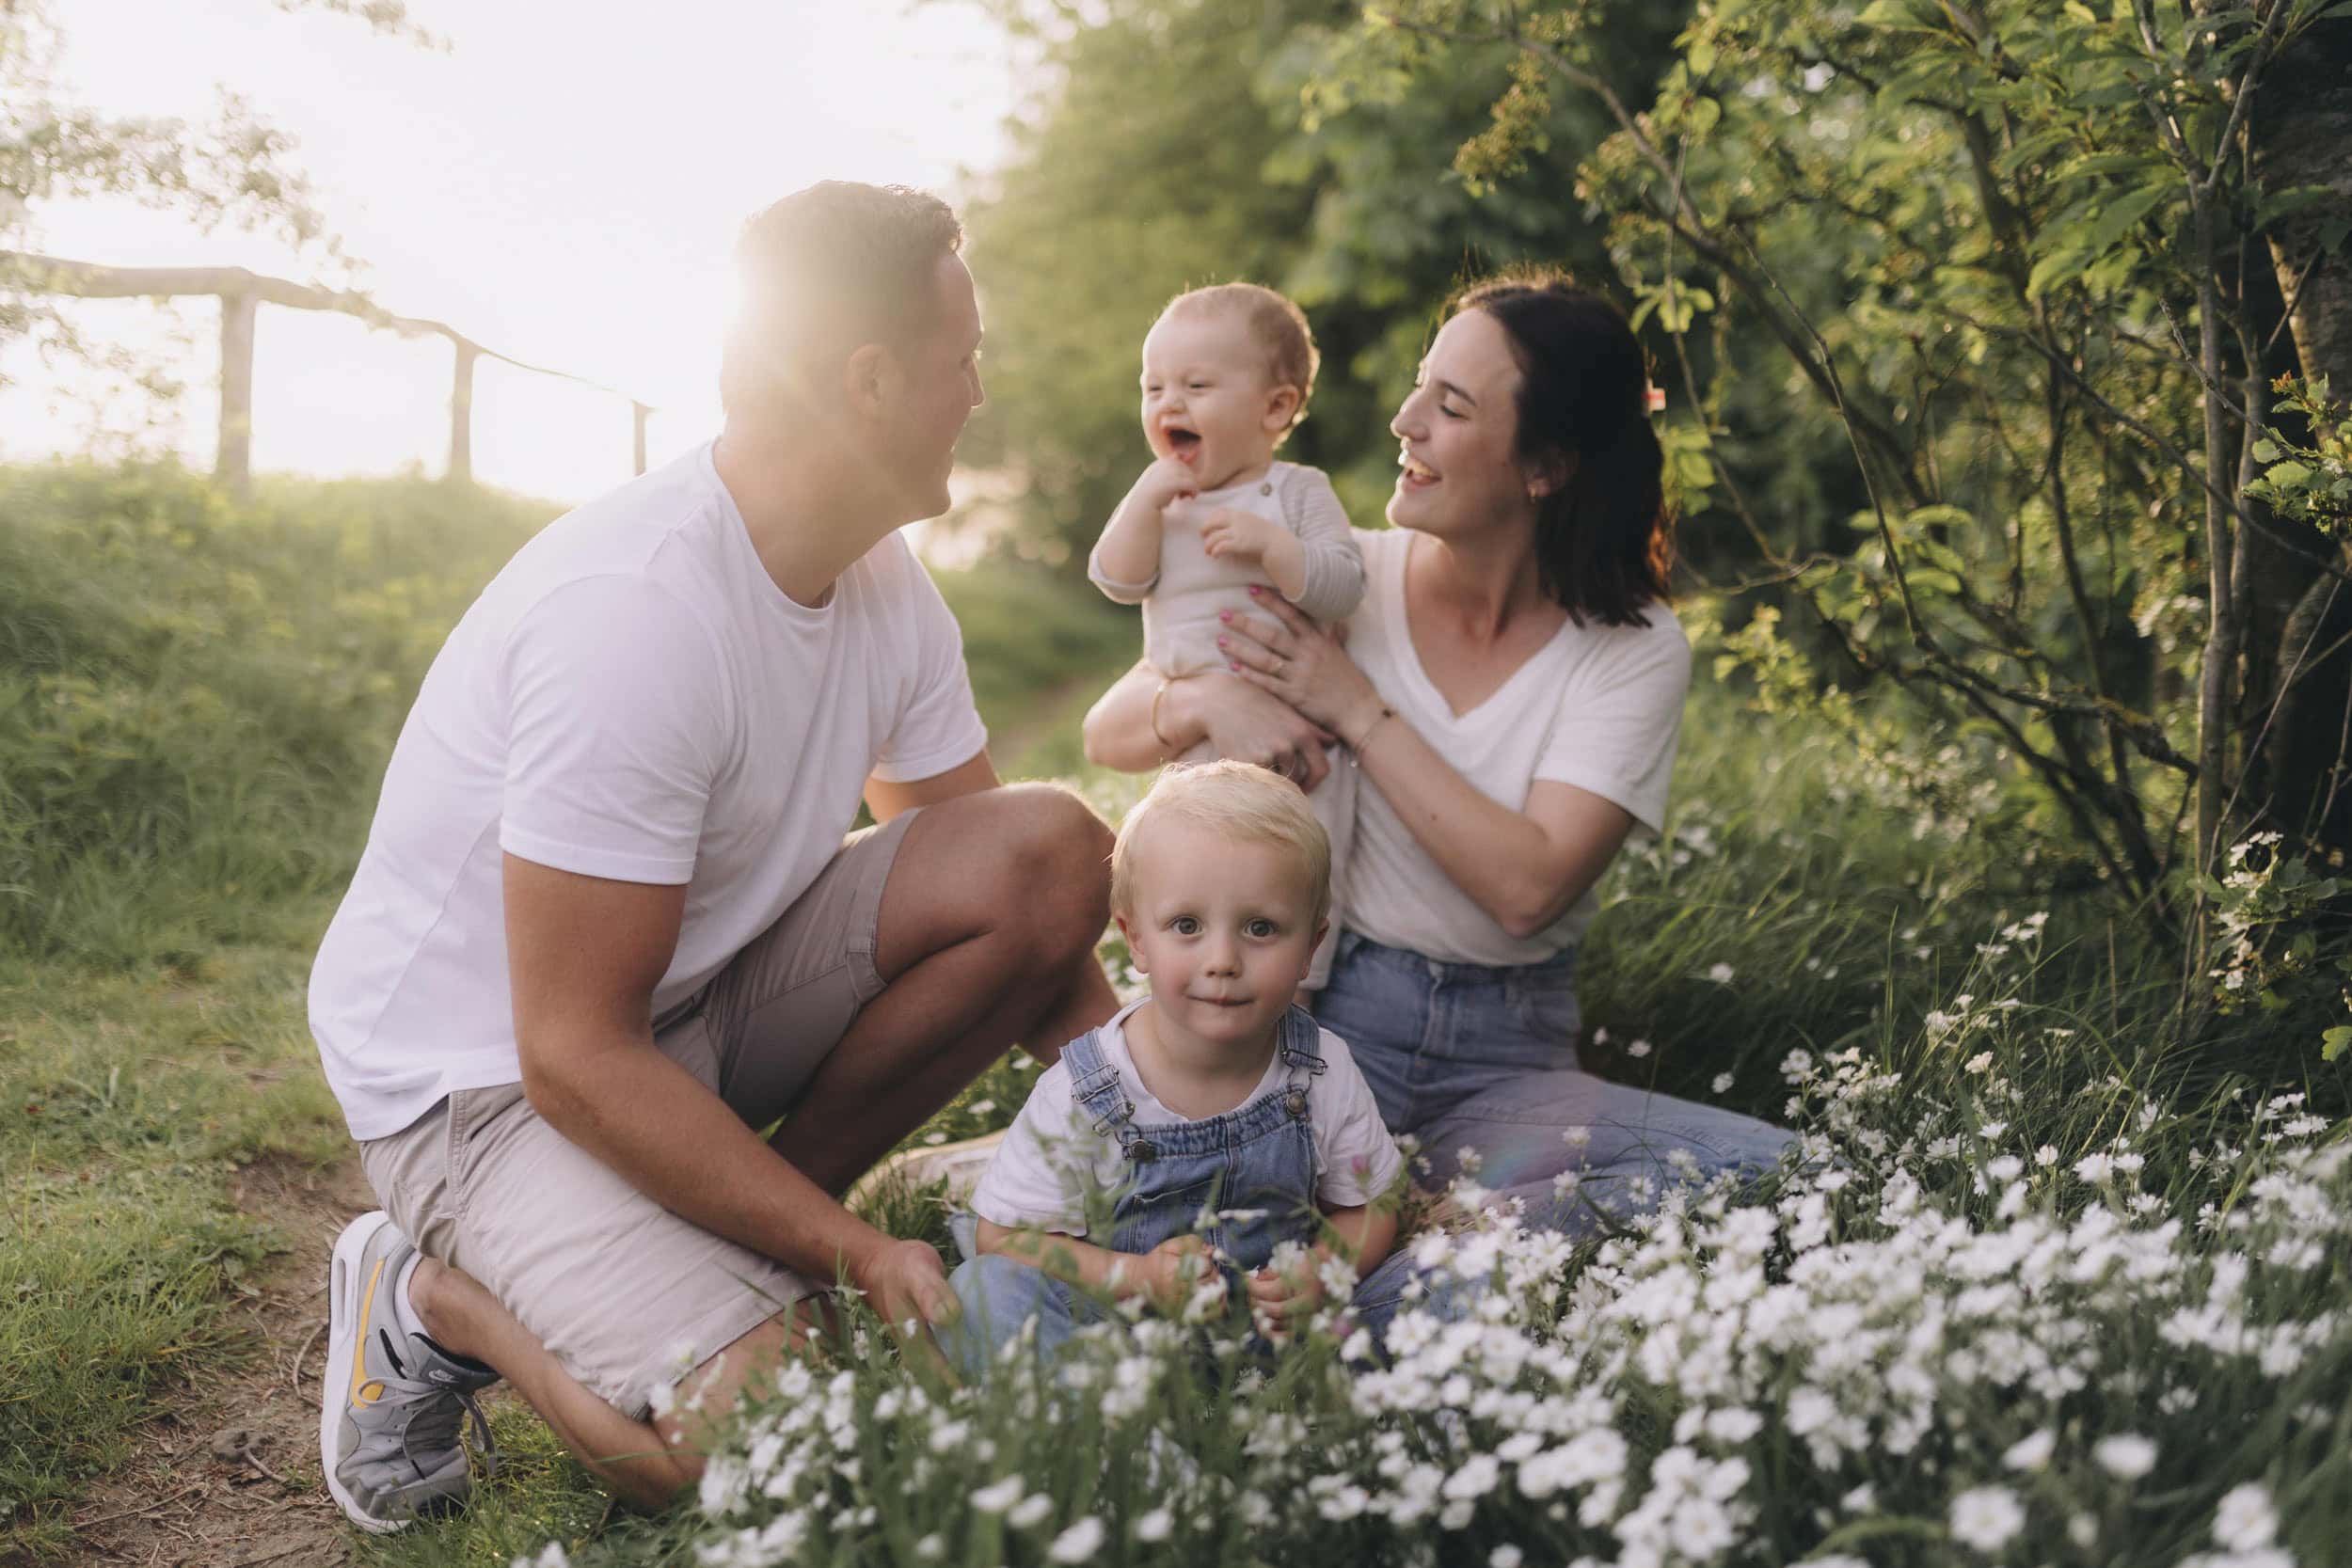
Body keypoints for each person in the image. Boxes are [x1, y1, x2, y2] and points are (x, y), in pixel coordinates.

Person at [308, 182, 1119, 1531]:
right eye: (961, 360)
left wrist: (1176, 1105)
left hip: (685, 1002)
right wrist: (857, 1254)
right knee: (764, 1427)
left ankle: (749, 1237)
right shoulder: (636, 615)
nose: (979, 392)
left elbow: (1006, 884)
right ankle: (426, 1297)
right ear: (868, 380)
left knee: (1048, 847)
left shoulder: (880, 579)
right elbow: (570, 1047)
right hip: (487, 1080)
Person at [1083, 271, 1793, 1239]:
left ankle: (1404, 1229)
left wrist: (1355, 707)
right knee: (1213, 1220)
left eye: (1448, 404)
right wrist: (1203, 697)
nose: (1403, 420)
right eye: (1420, 384)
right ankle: (1413, 1234)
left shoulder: (1632, 648)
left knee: (1776, 1171)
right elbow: (1112, 726)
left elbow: (1527, 886)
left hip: (1505, 1058)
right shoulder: (1340, 576)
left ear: (1543, 465)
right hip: (1328, 1016)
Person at [940, 761, 1423, 1380]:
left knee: (1443, 1279)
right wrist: (1135, 1275)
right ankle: (1133, 1455)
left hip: (1283, 1334)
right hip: (1124, 1350)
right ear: (1135, 939)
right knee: (985, 1290)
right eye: (1187, 926)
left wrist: (1327, 1269)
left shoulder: (1319, 1067)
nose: (1222, 960)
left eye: (1261, 927)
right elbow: (1004, 1239)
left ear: (1311, 946)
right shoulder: (1085, 1093)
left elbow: (1375, 1200)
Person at [1088, 284, 1364, 987]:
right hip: (1191, 748)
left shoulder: (1297, 491)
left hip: (1295, 742)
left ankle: (1292, 1018)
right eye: (1153, 387)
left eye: (1196, 384)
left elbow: (1343, 581)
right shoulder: (1161, 501)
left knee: (1286, 885)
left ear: (1275, 407)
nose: (1168, 404)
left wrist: (1275, 549)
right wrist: (1143, 500)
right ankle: (1176, 1014)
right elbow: (1115, 579)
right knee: (1189, 884)